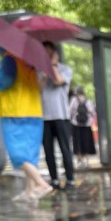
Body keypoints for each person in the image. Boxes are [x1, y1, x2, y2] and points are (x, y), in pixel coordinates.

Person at [0, 44, 51, 202]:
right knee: (30, 153)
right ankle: (29, 191)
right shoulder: (29, 62)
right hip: (33, 111)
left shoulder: (10, 59)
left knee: (17, 153)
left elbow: (5, 80)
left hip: (14, 111)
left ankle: (41, 184)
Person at [39, 41, 74, 190]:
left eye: (49, 51)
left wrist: (53, 66)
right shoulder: (39, 70)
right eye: (43, 51)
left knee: (65, 149)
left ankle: (70, 179)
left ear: (54, 52)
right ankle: (54, 179)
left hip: (61, 115)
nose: (46, 54)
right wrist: (45, 73)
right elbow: (38, 89)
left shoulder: (65, 69)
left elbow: (59, 81)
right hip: (44, 117)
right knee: (48, 151)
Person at [69, 86, 96, 168]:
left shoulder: (74, 100)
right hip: (87, 125)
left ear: (77, 93)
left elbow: (70, 111)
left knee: (78, 143)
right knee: (86, 142)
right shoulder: (88, 100)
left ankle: (79, 161)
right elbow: (92, 112)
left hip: (76, 125)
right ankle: (86, 161)